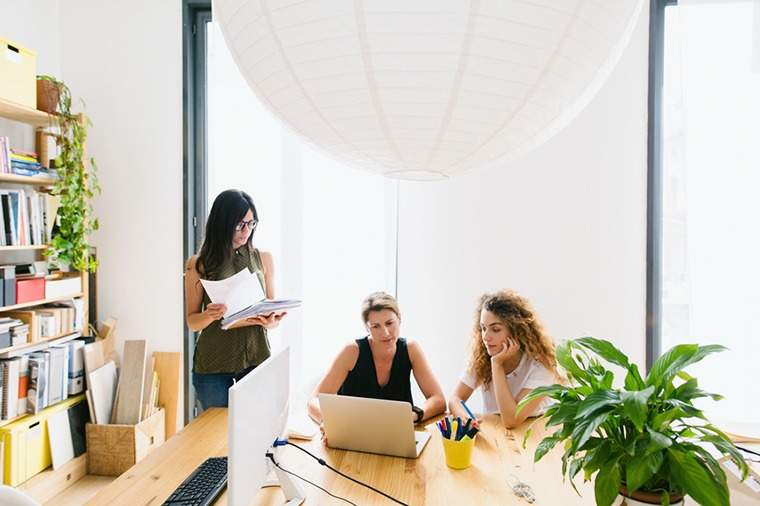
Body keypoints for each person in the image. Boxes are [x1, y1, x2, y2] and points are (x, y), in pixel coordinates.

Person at [185, 189, 286, 409]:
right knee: (217, 436)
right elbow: (192, 323)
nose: (246, 231)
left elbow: (271, 311)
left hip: (256, 358)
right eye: (240, 225)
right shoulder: (198, 264)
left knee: (255, 431)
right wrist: (210, 315)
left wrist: (272, 321)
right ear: (223, 223)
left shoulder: (264, 258)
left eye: (251, 224)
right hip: (213, 366)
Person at [308, 292, 445, 424]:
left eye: (389, 323)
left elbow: (438, 400)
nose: (385, 333)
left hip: (396, 434)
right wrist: (327, 422)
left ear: (399, 319)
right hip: (352, 433)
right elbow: (314, 401)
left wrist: (414, 415)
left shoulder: (411, 349)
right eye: (376, 326)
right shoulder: (352, 351)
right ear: (367, 328)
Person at [448, 290, 560, 429]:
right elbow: (455, 399)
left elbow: (511, 420)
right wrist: (464, 417)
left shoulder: (541, 364)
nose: (486, 337)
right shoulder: (481, 358)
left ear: (516, 330)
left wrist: (497, 364)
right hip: (497, 430)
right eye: (483, 328)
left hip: (534, 431)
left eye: (495, 329)